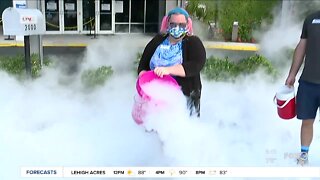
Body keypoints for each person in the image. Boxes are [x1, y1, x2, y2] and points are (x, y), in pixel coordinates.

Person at [137, 7, 206, 117]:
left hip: (184, 98)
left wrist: (167, 70)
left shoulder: (193, 42)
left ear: (187, 25)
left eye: (181, 25)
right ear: (167, 23)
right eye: (173, 24)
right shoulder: (158, 40)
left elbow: (195, 65)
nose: (177, 28)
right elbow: (143, 64)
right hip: (154, 99)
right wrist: (144, 77)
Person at [285, 10, 320, 166]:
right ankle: (304, 155)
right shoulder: (311, 19)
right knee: (306, 121)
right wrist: (292, 74)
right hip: (308, 82)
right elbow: (301, 47)